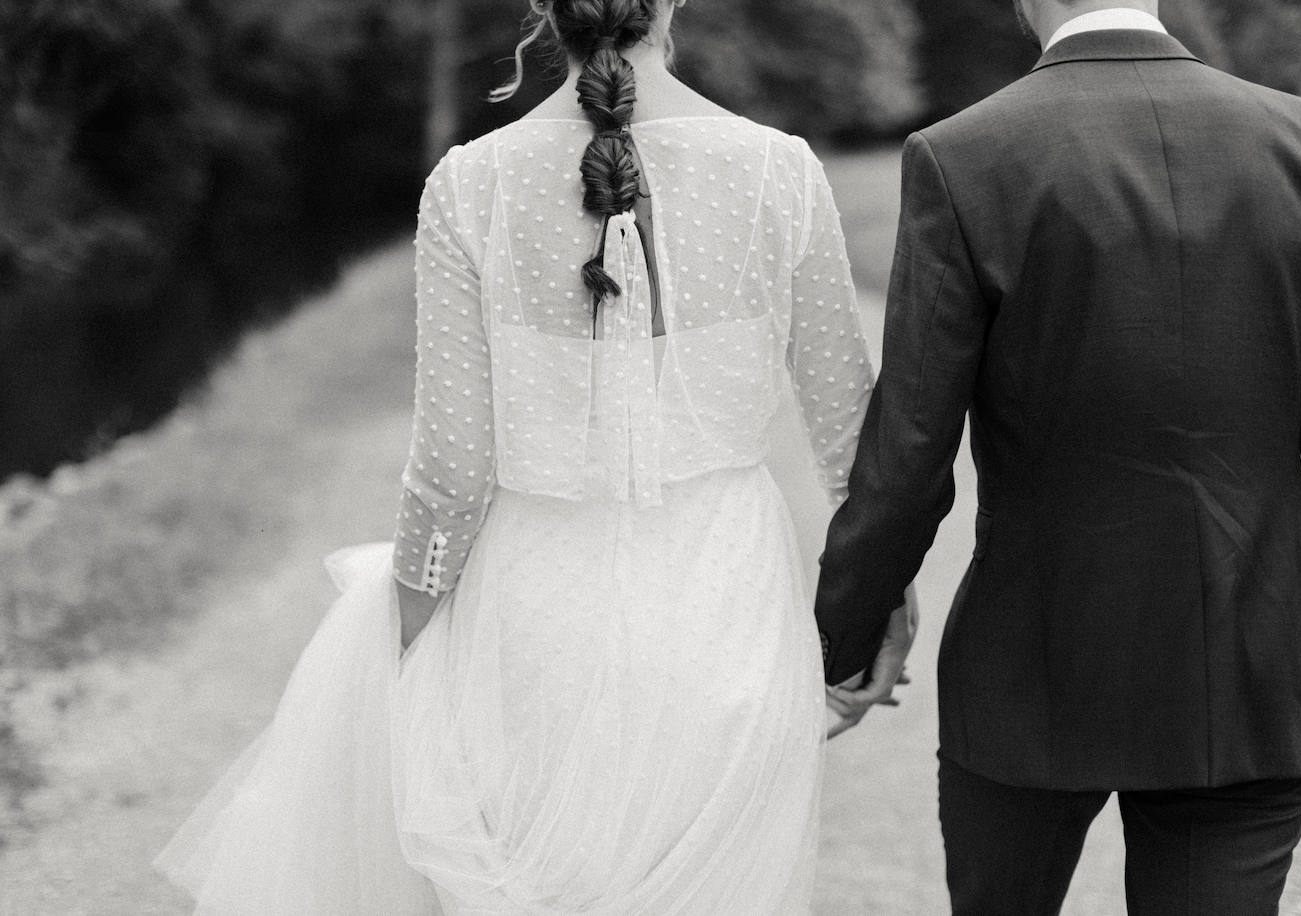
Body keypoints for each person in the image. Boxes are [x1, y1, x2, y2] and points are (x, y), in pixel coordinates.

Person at [154, 0, 876, 912]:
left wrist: (409, 639)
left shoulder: (469, 184)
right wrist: (879, 605)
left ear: (547, 8)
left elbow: (452, 472)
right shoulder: (780, 173)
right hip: (727, 610)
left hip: (530, 625)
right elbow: (853, 436)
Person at [816, 1, 1301, 913]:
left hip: (1029, 666)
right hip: (1250, 665)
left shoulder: (965, 156)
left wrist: (848, 628)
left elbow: (913, 453)